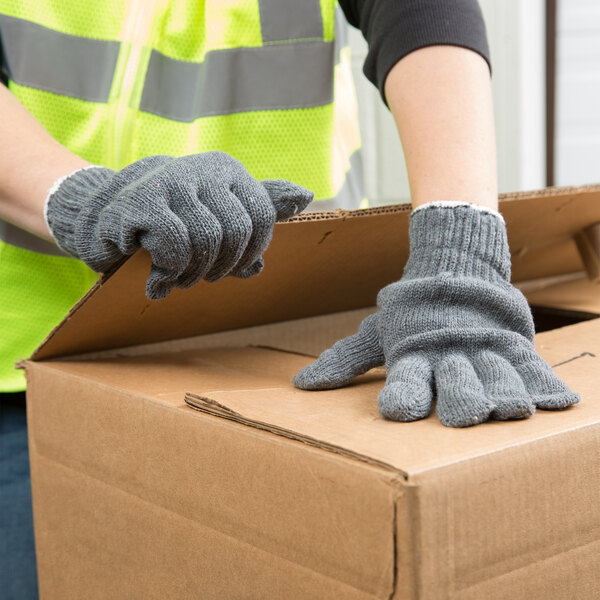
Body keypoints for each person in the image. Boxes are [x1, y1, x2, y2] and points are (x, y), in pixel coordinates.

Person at [0, 1, 579, 598]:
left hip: (285, 358)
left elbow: (421, 10)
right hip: (24, 365)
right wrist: (77, 197)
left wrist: (460, 243)